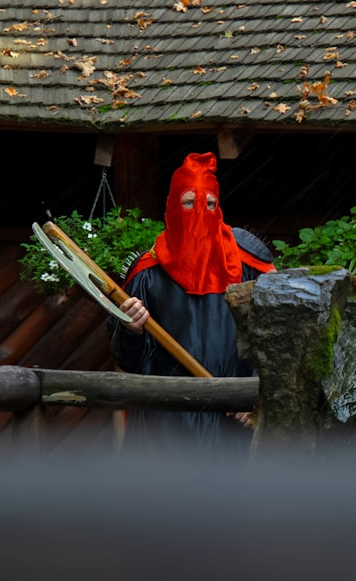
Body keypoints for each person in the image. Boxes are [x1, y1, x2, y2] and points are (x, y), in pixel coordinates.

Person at [108, 151, 275, 461]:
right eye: (189, 203)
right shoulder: (147, 274)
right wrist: (131, 330)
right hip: (165, 431)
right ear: (173, 206)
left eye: (209, 204)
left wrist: (255, 398)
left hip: (232, 423)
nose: (200, 211)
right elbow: (130, 361)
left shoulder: (250, 269)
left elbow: (271, 340)